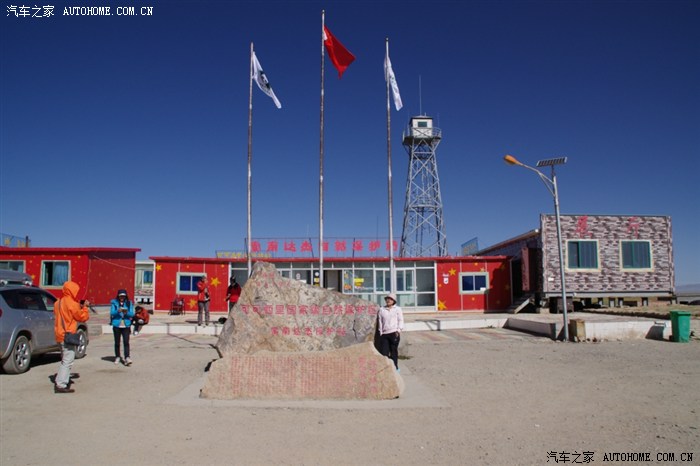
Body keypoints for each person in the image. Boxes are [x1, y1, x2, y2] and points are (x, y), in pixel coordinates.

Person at [53, 281, 90, 393]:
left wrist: (79, 305)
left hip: (59, 334)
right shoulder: (72, 304)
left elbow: (66, 313)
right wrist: (85, 308)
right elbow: (82, 317)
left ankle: (61, 380)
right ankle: (61, 385)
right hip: (68, 335)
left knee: (64, 359)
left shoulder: (57, 303)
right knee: (68, 360)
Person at [377, 293, 404, 371]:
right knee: (384, 352)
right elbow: (380, 321)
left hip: (394, 333)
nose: (388, 300)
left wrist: (398, 330)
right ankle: (385, 369)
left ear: (394, 301)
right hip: (384, 334)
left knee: (393, 351)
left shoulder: (397, 309)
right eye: (387, 299)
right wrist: (381, 332)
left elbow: (400, 320)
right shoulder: (382, 309)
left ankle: (395, 368)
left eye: (390, 299)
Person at [110, 289, 135, 366]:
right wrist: (118, 311)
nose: (122, 298)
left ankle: (127, 357)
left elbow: (132, 314)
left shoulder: (129, 303)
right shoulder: (114, 303)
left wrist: (126, 312)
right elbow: (112, 313)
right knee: (117, 342)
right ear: (118, 296)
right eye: (121, 296)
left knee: (126, 341)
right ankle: (117, 356)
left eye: (123, 296)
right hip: (117, 324)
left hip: (126, 325)